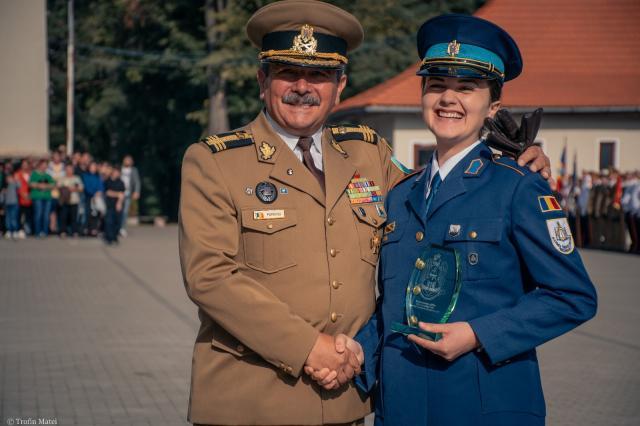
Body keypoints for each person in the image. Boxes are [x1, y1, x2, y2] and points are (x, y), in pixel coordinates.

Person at [179, 2, 550, 425]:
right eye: (288, 73)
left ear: (340, 86)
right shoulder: (214, 162)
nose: (304, 87)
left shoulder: (366, 151)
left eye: (320, 75)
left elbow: (442, 194)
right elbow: (210, 276)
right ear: (263, 80)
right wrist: (307, 347)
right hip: (252, 400)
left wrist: (515, 163)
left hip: (346, 401)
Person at [308, 14, 597, 426]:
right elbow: (395, 305)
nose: (448, 99)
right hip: (403, 408)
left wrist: (478, 334)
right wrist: (355, 352)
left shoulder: (518, 186)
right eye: (437, 85)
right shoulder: (401, 193)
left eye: (467, 88)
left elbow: (573, 296)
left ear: (493, 105)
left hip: (484, 406)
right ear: (423, 94)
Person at [29, 159, 55, 238]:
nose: (44, 167)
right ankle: (37, 232)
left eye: (46, 165)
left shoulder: (48, 175)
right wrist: (39, 186)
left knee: (46, 215)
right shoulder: (34, 174)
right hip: (37, 197)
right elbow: (31, 184)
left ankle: (45, 232)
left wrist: (45, 186)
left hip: (47, 198)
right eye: (43, 165)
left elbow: (53, 184)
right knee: (38, 214)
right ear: (40, 165)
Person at [57, 164, 84, 237]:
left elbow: (81, 188)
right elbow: (59, 186)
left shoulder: (77, 178)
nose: (69, 171)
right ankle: (63, 231)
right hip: (64, 200)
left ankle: (74, 231)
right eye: (67, 169)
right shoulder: (62, 178)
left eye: (70, 169)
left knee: (74, 217)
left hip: (74, 200)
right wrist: (66, 189)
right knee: (63, 217)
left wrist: (72, 189)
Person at [119, 154, 141, 237]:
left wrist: (136, 192)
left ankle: (122, 228)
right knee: (118, 211)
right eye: (126, 159)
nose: (128, 161)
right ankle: (117, 227)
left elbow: (137, 182)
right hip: (119, 193)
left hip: (128, 194)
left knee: (125, 212)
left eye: (129, 160)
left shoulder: (134, 170)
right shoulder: (120, 169)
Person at [81, 161, 104, 236]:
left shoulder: (98, 176)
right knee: (88, 213)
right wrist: (94, 193)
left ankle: (94, 229)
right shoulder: (85, 176)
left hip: (97, 197)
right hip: (88, 197)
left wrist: (99, 192)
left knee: (96, 214)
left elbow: (101, 186)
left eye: (94, 167)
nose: (93, 168)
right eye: (91, 167)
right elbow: (87, 187)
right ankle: (87, 229)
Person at [103, 166, 125, 245]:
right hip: (109, 204)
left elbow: (122, 195)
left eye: (118, 172)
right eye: (115, 172)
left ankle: (115, 237)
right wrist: (117, 194)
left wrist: (119, 203)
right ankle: (109, 237)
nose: (116, 174)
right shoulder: (108, 181)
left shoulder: (121, 182)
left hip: (118, 205)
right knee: (109, 221)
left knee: (118, 222)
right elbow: (108, 192)